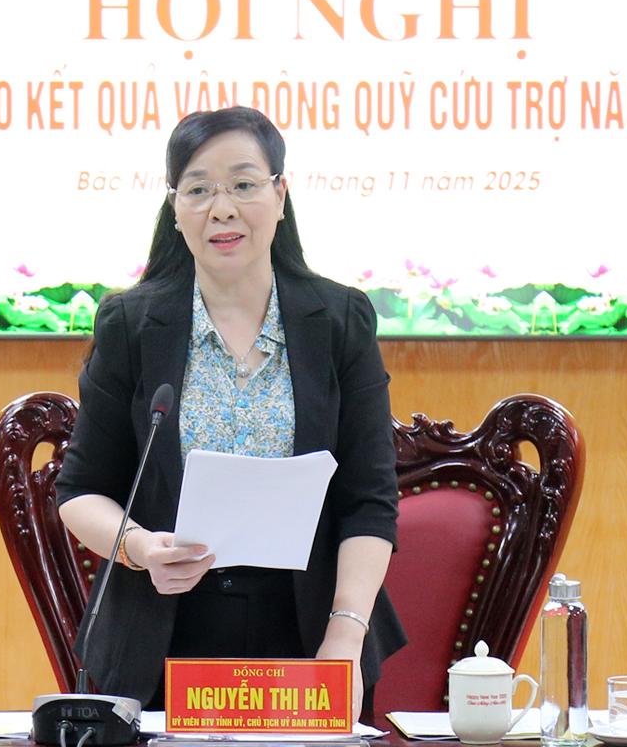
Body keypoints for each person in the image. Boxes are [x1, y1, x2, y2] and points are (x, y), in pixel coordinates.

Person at [55, 106, 405, 721]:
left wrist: (345, 639)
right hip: (160, 639)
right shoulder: (131, 324)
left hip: (312, 632)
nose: (222, 209)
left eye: (243, 184)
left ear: (280, 194)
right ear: (174, 207)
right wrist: (141, 548)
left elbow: (369, 501)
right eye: (198, 190)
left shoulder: (340, 320)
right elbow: (80, 492)